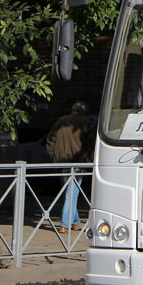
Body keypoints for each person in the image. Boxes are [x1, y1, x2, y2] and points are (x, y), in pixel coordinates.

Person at [46, 100, 94, 233]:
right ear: (84, 111)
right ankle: (64, 224)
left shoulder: (61, 121)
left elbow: (50, 139)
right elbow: (91, 144)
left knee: (69, 192)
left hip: (62, 161)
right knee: (71, 193)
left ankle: (75, 222)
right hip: (78, 161)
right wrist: (90, 160)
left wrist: (54, 155)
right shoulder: (87, 123)